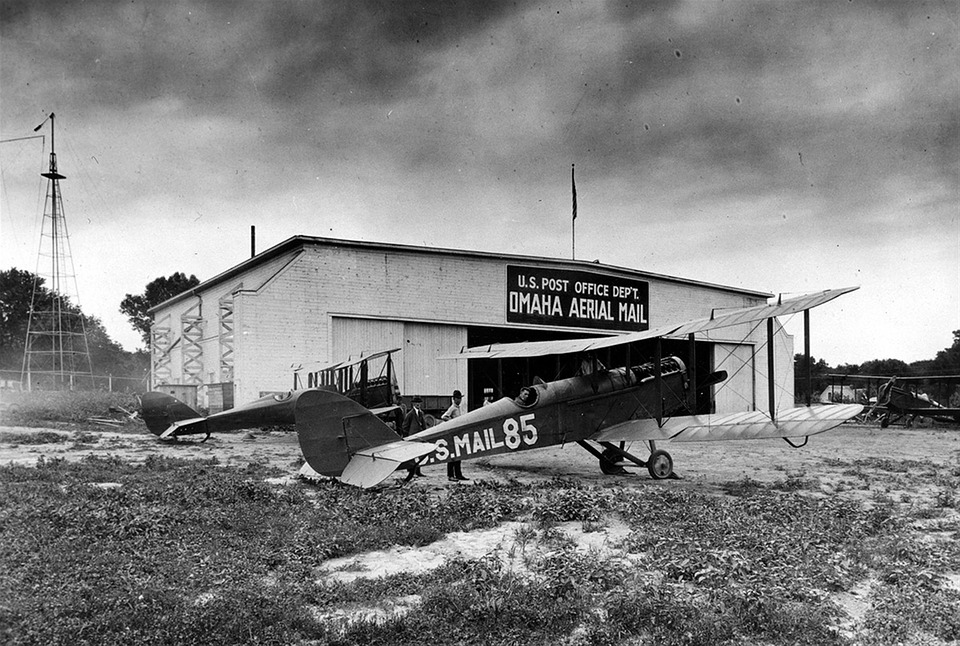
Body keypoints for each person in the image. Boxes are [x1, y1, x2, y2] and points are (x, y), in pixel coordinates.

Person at [441, 390, 468, 482]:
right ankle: (450, 475)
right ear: (454, 399)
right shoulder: (452, 408)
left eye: (460, 398)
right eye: (458, 398)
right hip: (453, 434)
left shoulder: (458, 408)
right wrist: (452, 422)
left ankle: (458, 474)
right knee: (452, 456)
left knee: (458, 456)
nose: (459, 400)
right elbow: (443, 417)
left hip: (458, 434)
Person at [401, 396, 427, 478]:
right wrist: (406, 438)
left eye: (419, 403)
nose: (418, 404)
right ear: (413, 404)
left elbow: (423, 425)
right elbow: (404, 427)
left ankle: (418, 471)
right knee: (412, 456)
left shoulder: (421, 413)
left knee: (419, 455)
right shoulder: (410, 414)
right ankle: (412, 472)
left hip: (419, 437)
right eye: (416, 403)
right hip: (412, 438)